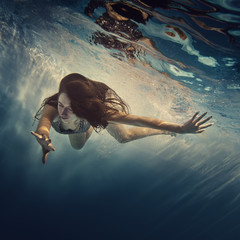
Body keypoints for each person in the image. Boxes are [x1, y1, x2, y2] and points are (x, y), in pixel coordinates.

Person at [31, 73, 213, 164]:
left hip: (93, 108)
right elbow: (44, 125)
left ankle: (163, 132)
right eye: (61, 106)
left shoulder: (98, 112)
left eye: (69, 109)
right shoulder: (54, 107)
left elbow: (139, 120)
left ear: (80, 107)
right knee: (77, 146)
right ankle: (93, 126)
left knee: (123, 138)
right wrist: (43, 139)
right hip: (84, 120)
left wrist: (179, 128)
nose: (62, 112)